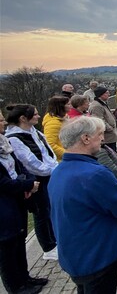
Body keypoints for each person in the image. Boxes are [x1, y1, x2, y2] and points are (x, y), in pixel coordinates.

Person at [48, 116, 117, 294]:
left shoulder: (58, 171)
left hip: (75, 254)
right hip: (98, 255)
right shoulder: (95, 174)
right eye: (99, 134)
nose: (103, 139)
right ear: (85, 138)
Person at [0, 110, 47, 294]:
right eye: (1, 121)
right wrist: (27, 184)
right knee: (7, 248)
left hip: (17, 199)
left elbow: (18, 165)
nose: (4, 123)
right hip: (4, 205)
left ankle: (25, 278)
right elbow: (2, 182)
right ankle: (15, 287)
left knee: (19, 241)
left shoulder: (4, 143)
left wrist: (29, 181)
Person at [5, 105, 58, 262]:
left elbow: (47, 152)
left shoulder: (35, 132)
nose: (38, 116)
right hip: (37, 178)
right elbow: (29, 161)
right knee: (41, 212)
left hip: (49, 174)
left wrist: (54, 167)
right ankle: (48, 247)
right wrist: (49, 171)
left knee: (49, 209)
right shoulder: (14, 138)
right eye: (34, 114)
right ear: (23, 118)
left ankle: (54, 239)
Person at [88, 87, 117, 152]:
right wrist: (109, 128)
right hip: (106, 138)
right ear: (101, 94)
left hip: (110, 137)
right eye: (106, 93)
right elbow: (99, 120)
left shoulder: (102, 103)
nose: (109, 94)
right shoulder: (97, 106)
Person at [42, 96, 70, 161]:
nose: (70, 106)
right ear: (60, 106)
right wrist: (67, 154)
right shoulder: (53, 123)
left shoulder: (64, 119)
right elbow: (50, 144)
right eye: (68, 104)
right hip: (60, 160)